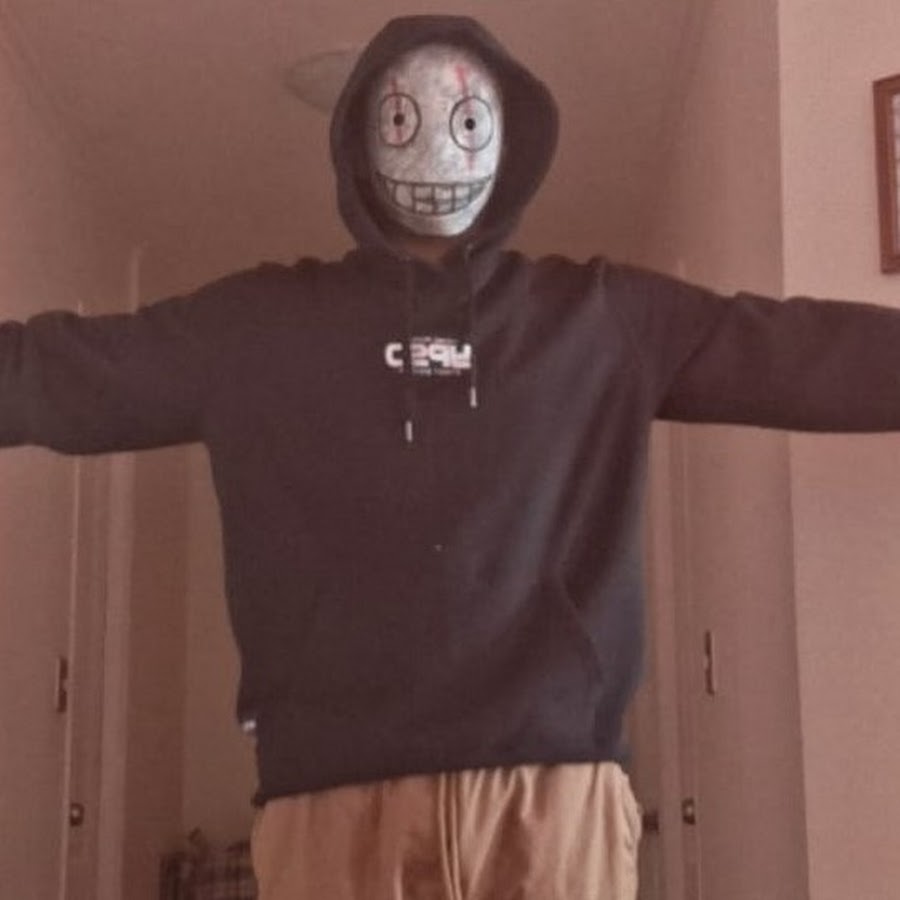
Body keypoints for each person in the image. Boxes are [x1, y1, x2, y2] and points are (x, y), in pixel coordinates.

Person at [3, 13, 900, 900]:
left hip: (552, 796)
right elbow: (57, 370)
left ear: (510, 142)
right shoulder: (255, 328)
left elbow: (791, 351)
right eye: (404, 118)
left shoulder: (600, 319)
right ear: (361, 142)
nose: (437, 146)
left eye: (467, 121)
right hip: (332, 802)